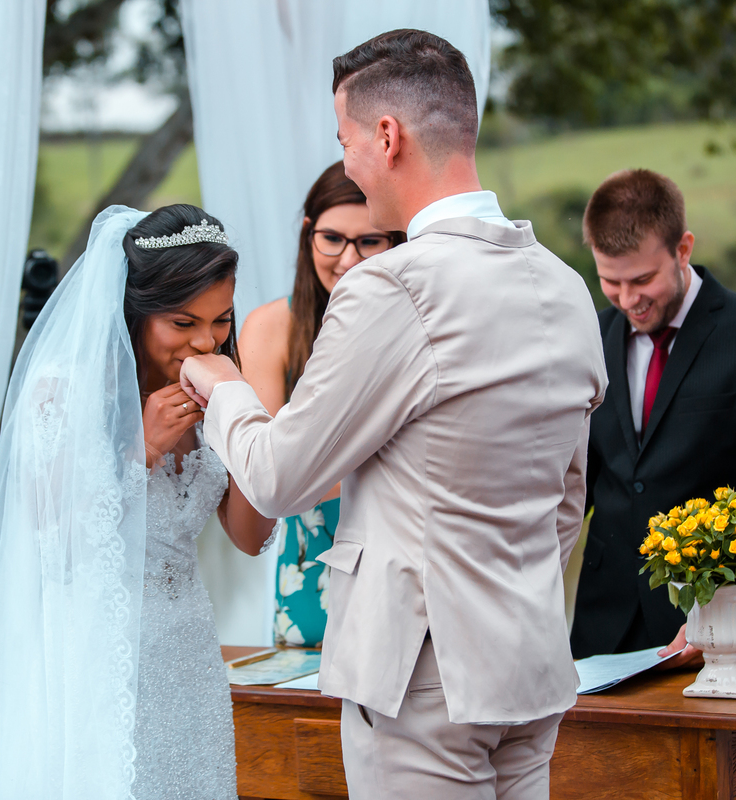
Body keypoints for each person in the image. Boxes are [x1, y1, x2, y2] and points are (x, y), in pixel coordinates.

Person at [181, 29, 606, 800]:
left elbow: (277, 480)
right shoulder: (563, 286)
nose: (346, 163)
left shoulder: (392, 288)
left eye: (344, 140)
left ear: (387, 136)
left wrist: (224, 385)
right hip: (530, 664)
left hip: (421, 675)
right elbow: (568, 497)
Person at [0, 205, 272, 800]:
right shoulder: (63, 391)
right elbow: (55, 549)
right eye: (183, 322)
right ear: (134, 311)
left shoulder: (210, 390)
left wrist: (244, 418)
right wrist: (141, 449)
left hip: (187, 654)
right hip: (95, 657)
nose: (206, 341)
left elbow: (250, 537)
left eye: (221, 320)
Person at [569, 168, 736, 670]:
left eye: (643, 280)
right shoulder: (588, 337)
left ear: (683, 249)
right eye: (610, 281)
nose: (628, 300)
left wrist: (720, 610)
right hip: (603, 631)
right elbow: (574, 482)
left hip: (730, 637)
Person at [238, 160, 405, 647]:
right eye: (332, 238)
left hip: (403, 559)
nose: (348, 259)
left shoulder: (414, 322)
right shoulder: (271, 327)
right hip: (310, 559)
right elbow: (265, 469)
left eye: (369, 241)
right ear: (307, 233)